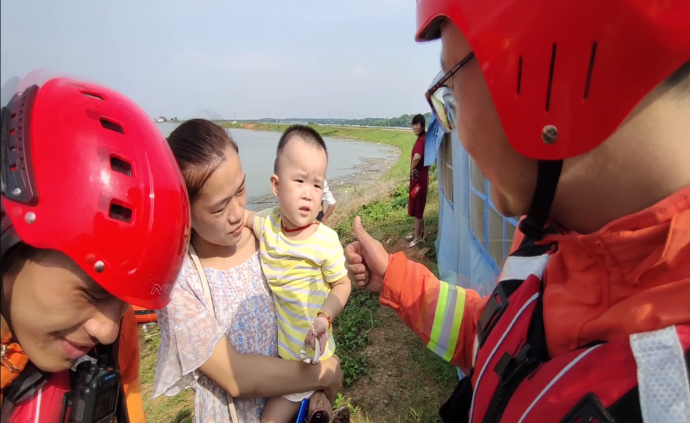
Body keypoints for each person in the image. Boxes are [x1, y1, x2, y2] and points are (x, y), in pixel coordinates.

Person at [345, 1, 690, 422]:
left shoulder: (668, 397)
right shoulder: (550, 241)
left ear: (545, 69)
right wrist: (394, 278)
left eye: (450, 91)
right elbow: (497, 341)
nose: (454, 127)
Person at [0, 72, 191, 422]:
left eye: (123, 305)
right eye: (91, 293)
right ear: (10, 240)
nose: (108, 330)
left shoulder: (115, 338)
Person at [153, 120, 344, 423]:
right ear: (183, 209)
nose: (237, 213)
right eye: (219, 208)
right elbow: (236, 376)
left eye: (241, 190)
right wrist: (324, 372)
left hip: (292, 404)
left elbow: (311, 297)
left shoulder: (265, 238)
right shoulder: (180, 283)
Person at [241, 125, 351, 423]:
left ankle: (321, 401)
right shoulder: (267, 225)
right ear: (276, 185)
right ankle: (322, 405)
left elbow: (342, 284)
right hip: (286, 362)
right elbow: (239, 217)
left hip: (314, 357)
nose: (308, 194)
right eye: (299, 180)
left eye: (317, 185)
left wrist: (325, 316)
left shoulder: (325, 240)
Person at [408, 114, 429, 247]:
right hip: (421, 179)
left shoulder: (421, 141)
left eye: (417, 124)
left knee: (417, 210)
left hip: (418, 182)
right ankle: (422, 233)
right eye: (413, 124)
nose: (415, 127)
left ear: (422, 125)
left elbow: (417, 157)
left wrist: (411, 168)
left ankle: (417, 238)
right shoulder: (423, 139)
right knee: (419, 207)